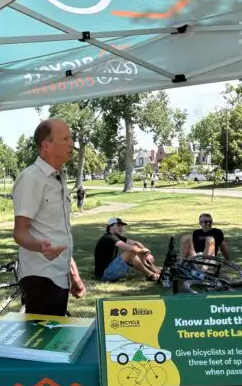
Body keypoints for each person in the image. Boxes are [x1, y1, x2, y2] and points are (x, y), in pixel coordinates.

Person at [12, 119, 86, 315]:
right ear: (46, 145)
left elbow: (57, 230)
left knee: (54, 339)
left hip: (58, 275)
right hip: (40, 277)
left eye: (71, 138)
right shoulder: (31, 178)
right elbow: (20, 232)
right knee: (42, 342)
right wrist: (41, 247)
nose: (72, 143)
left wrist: (72, 271)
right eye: (65, 138)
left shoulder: (58, 178)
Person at [93, 218, 161, 282]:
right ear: (110, 226)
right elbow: (129, 247)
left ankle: (155, 271)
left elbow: (136, 243)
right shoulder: (109, 237)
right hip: (104, 275)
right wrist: (145, 252)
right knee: (131, 252)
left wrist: (147, 254)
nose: (121, 228)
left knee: (136, 251)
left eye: (122, 226)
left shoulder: (116, 237)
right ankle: (150, 275)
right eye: (118, 225)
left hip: (109, 270)